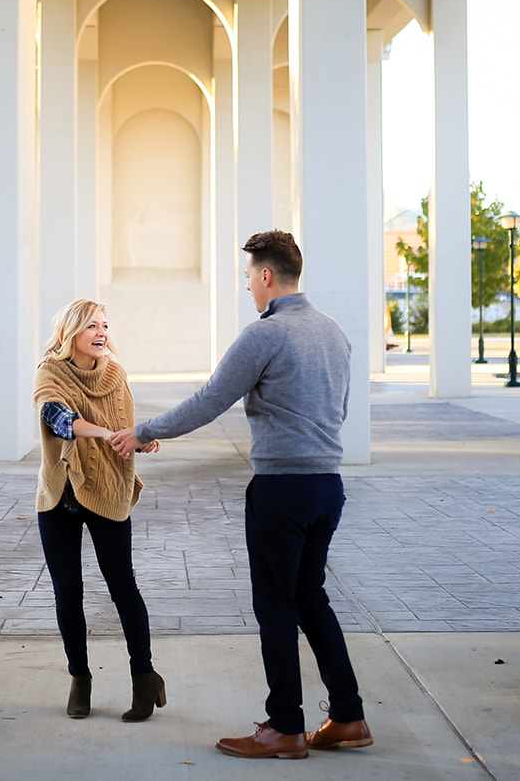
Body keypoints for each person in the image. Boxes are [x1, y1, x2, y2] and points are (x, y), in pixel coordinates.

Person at [110, 230, 371, 759]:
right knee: (310, 596)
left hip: (281, 491)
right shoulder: (334, 333)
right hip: (328, 487)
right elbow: (339, 412)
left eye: (250, 276)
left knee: (275, 604)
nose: (248, 286)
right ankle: (347, 716)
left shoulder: (264, 335)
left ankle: (284, 728)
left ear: (268, 276)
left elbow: (210, 400)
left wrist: (143, 431)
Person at [33, 298, 166, 722]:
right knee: (67, 593)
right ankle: (80, 678)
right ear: (71, 332)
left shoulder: (116, 375)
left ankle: (144, 677)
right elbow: (59, 419)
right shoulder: (49, 372)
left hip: (107, 488)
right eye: (92, 326)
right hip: (60, 494)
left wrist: (138, 439)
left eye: (105, 325)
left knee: (122, 587)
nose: (102, 333)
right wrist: (108, 434)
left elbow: (124, 430)